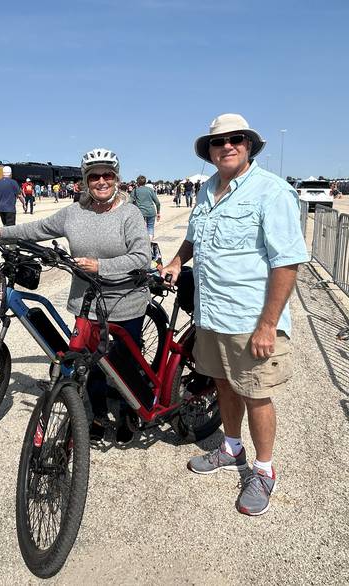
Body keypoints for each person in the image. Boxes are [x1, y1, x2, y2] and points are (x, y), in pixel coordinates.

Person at [161, 113, 309, 516]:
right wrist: (177, 261)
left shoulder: (271, 192)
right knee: (224, 386)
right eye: (218, 141)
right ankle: (230, 448)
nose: (227, 145)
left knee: (256, 395)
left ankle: (263, 470)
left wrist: (268, 325)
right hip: (211, 315)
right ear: (209, 151)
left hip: (251, 320)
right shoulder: (207, 190)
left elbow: (288, 263)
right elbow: (194, 235)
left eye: (236, 139)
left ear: (249, 145)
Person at [0, 148, 151, 444]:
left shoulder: (129, 213)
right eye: (94, 176)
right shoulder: (74, 212)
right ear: (85, 180)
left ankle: (128, 411)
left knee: (126, 364)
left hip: (125, 302)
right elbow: (39, 228)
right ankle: (97, 413)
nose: (101, 181)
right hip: (86, 303)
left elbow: (141, 256)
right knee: (89, 363)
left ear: (116, 179)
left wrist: (101, 266)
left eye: (107, 175)